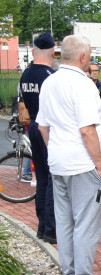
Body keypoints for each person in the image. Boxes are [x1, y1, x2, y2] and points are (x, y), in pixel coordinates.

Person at [35, 36, 101, 275]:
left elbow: (42, 127)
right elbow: (87, 129)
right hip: (82, 165)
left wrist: (56, 151)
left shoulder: (50, 81)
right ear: (82, 57)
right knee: (86, 223)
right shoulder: (83, 84)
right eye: (90, 55)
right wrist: (99, 165)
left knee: (65, 222)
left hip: (58, 163)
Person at [17, 33, 57, 244]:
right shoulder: (50, 75)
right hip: (48, 128)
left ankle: (42, 225)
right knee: (52, 178)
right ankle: (51, 227)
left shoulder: (26, 74)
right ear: (52, 52)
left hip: (32, 125)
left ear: (33, 52)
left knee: (41, 177)